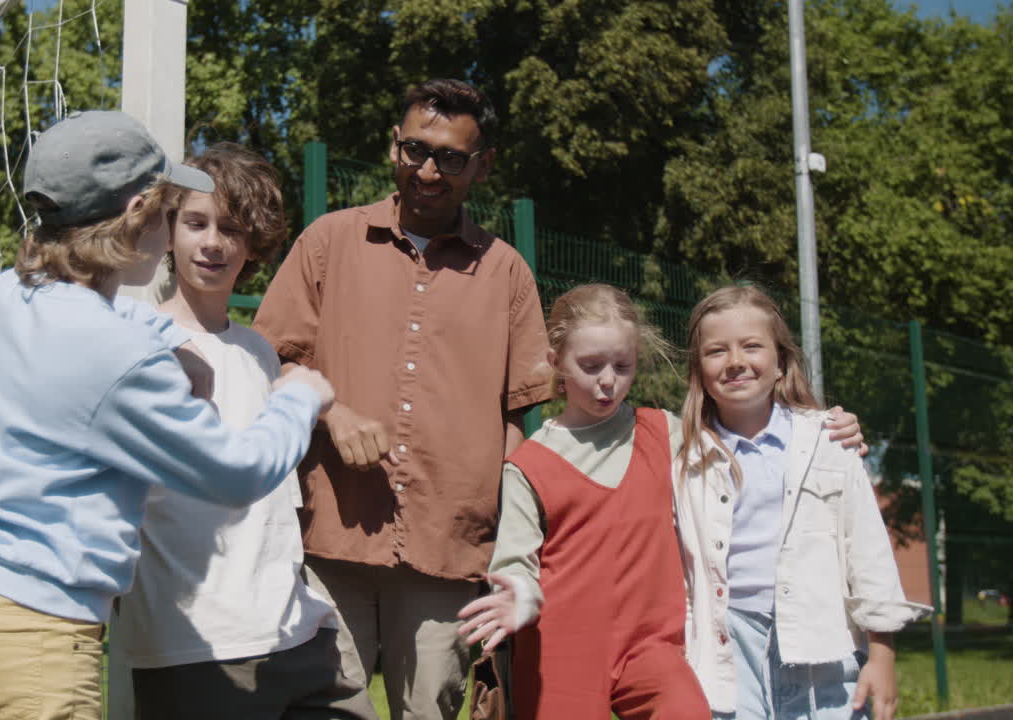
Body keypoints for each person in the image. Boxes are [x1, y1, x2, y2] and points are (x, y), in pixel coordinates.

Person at [0, 111, 335, 720]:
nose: (174, 234)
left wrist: (166, 345)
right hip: (33, 634)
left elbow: (104, 321)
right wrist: (299, 398)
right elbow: (239, 471)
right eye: (172, 215)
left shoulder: (12, 293)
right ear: (140, 215)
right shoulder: (122, 360)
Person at [253, 78, 553, 719]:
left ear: (483, 165)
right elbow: (266, 362)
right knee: (329, 709)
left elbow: (517, 423)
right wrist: (330, 411)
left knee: (432, 710)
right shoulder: (328, 242)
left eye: (450, 157)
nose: (427, 169)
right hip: (333, 530)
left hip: (449, 543)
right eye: (414, 149)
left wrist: (508, 546)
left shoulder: (506, 273)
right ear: (394, 142)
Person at [456, 284, 869, 720]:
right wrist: (519, 593)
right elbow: (516, 560)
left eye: (623, 365)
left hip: (651, 644)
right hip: (563, 648)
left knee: (688, 710)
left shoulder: (665, 433)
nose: (608, 381)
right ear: (557, 363)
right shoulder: (529, 465)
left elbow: (751, 440)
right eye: (591, 366)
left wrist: (825, 430)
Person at [109, 142, 377, 720]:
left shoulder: (259, 352)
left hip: (294, 630)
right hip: (194, 643)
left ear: (254, 241)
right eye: (196, 223)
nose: (212, 242)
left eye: (230, 228)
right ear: (168, 230)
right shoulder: (140, 343)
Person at [674, 285, 931, 720]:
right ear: (698, 370)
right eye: (716, 351)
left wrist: (882, 655)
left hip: (823, 642)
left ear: (781, 362)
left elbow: (866, 549)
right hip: (726, 647)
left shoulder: (828, 441)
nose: (736, 361)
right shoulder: (681, 456)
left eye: (752, 346)